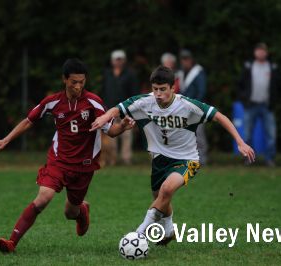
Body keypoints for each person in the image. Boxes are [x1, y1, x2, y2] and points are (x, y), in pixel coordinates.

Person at [90, 66, 255, 245]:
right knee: (160, 198)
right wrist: (105, 117)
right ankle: (168, 230)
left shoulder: (187, 105)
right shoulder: (144, 102)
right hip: (159, 159)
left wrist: (240, 142)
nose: (158, 94)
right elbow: (118, 109)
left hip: (187, 159)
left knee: (166, 191)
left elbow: (219, 116)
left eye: (163, 89)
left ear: (173, 88)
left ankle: (138, 234)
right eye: (155, 89)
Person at [0, 58, 134, 253]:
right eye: (74, 82)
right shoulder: (53, 102)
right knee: (43, 198)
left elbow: (111, 131)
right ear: (64, 80)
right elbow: (28, 121)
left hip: (84, 166)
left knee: (70, 212)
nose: (78, 86)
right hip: (59, 161)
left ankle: (81, 210)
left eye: (82, 82)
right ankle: (12, 242)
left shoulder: (93, 102)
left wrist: (122, 126)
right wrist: (6, 139)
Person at [238, 43, 281, 167]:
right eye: (258, 50)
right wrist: (244, 100)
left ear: (266, 53)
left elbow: (278, 87)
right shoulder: (248, 66)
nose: (261, 53)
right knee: (247, 134)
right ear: (255, 52)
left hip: (267, 106)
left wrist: (274, 101)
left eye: (263, 51)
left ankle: (270, 159)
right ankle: (248, 159)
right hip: (251, 105)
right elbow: (240, 85)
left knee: (271, 134)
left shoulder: (272, 67)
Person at [100, 50, 139, 166]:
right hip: (110, 109)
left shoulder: (130, 74)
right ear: (112, 61)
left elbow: (134, 93)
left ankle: (126, 159)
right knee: (111, 134)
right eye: (116, 59)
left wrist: (134, 109)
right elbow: (103, 90)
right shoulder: (107, 74)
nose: (118, 62)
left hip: (126, 109)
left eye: (120, 59)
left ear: (124, 60)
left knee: (127, 134)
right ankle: (112, 159)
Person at [177, 49, 209, 164]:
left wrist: (195, 105)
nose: (185, 62)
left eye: (187, 59)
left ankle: (202, 158)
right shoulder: (181, 73)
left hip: (196, 107)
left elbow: (201, 91)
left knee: (199, 133)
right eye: (183, 59)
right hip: (184, 108)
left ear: (191, 60)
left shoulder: (198, 72)